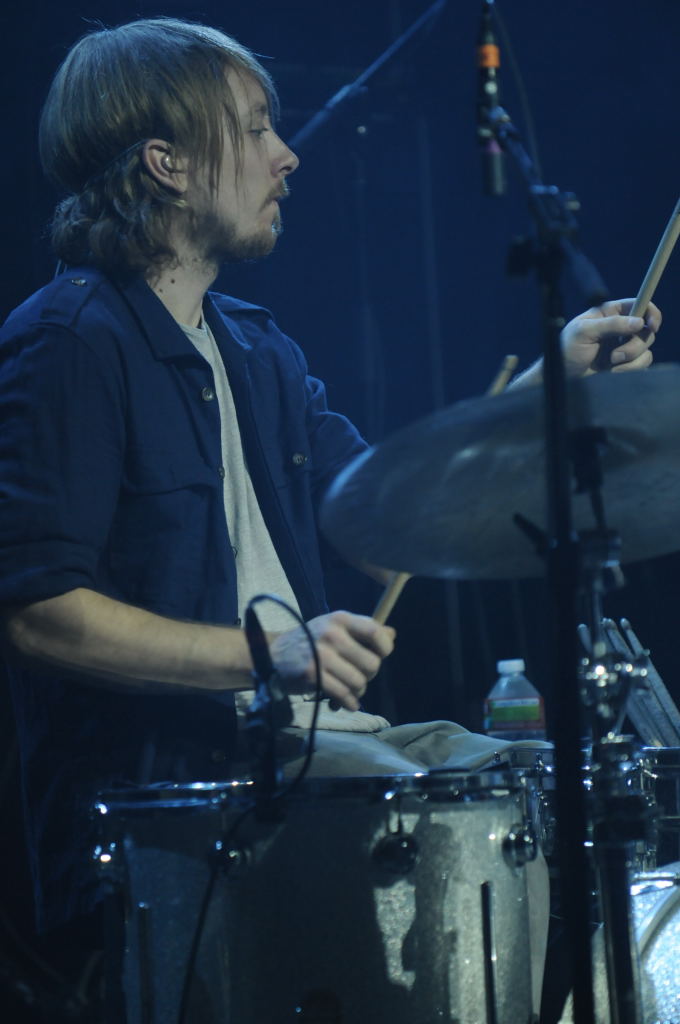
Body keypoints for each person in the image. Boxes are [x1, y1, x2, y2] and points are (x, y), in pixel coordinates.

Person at [0, 16, 659, 1022]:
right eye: (255, 128)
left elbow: (402, 510)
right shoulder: (71, 343)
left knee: (541, 782)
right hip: (183, 804)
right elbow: (39, 611)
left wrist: (554, 384)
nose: (287, 154)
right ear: (166, 164)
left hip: (315, 757)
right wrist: (268, 653)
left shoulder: (258, 350)